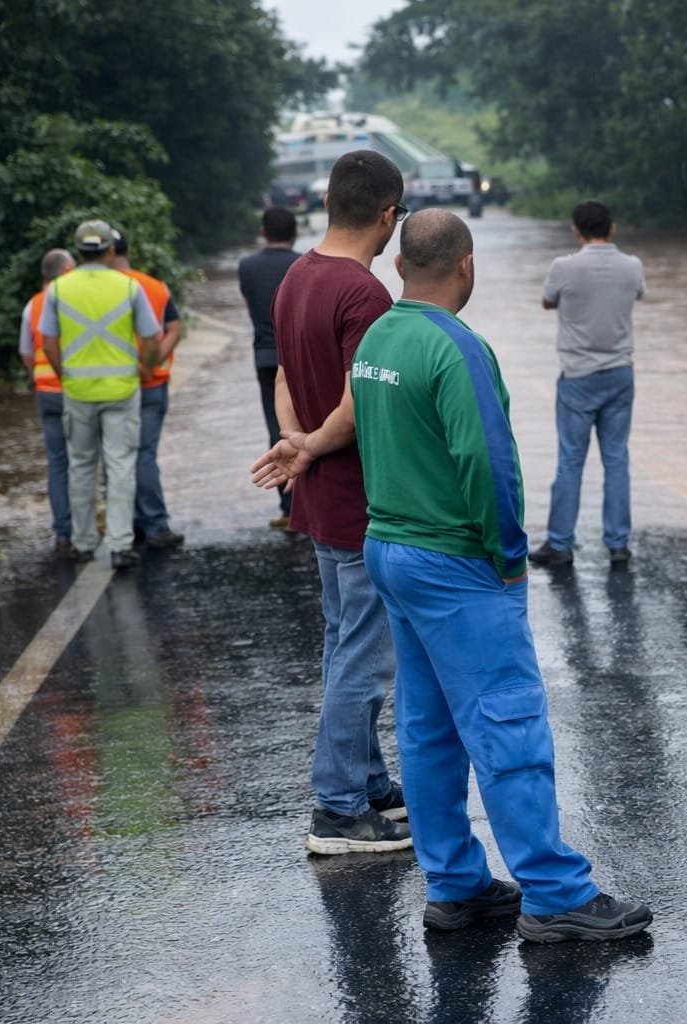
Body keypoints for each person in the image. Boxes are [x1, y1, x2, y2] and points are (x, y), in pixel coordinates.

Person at [346, 208, 651, 941]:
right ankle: (555, 894)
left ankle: (455, 884)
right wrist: (509, 555)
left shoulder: (377, 338)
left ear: (399, 267)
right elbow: (487, 462)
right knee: (507, 719)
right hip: (454, 560)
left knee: (428, 728)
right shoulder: (458, 348)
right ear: (467, 265)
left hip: (390, 548)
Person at [250, 150, 412, 854]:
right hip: (358, 502)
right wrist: (314, 446)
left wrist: (294, 440)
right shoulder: (364, 295)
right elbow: (358, 403)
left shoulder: (297, 276)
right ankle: (339, 808)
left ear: (326, 204)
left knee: (343, 644)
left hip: (318, 502)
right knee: (365, 659)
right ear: (388, 215)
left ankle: (369, 782)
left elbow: (285, 376)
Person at [526, 200, 645, 570]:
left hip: (578, 376)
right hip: (620, 373)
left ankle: (560, 544)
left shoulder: (564, 267)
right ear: (612, 229)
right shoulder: (632, 265)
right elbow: (637, 294)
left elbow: (547, 301)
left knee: (571, 460)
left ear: (576, 231)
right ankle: (618, 544)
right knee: (616, 459)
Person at [39, 220, 162, 570]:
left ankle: (82, 542)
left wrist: (66, 375)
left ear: (78, 251)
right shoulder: (129, 287)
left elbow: (48, 342)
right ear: (110, 250)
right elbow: (151, 339)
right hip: (122, 389)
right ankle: (120, 545)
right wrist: (145, 370)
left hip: (77, 391)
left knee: (80, 465)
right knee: (120, 466)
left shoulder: (58, 289)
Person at [109, 229, 185, 550]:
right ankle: (155, 524)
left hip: (113, 385)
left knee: (116, 456)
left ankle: (129, 525)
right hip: (153, 384)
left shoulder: (101, 288)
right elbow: (174, 328)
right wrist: (152, 364)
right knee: (145, 454)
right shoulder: (154, 285)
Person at [239, 206, 302, 529]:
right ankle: (309, 505)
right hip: (301, 358)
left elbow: (251, 306)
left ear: (263, 232)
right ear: (295, 233)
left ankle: (288, 508)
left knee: (277, 428)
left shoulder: (247, 267)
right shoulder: (303, 265)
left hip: (265, 357)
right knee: (311, 429)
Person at [18, 248, 76, 556]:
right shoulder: (72, 300)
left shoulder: (33, 305)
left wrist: (36, 378)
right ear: (65, 271)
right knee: (83, 462)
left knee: (57, 463)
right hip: (75, 390)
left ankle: (63, 532)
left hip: (45, 392)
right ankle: (86, 531)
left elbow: (26, 352)